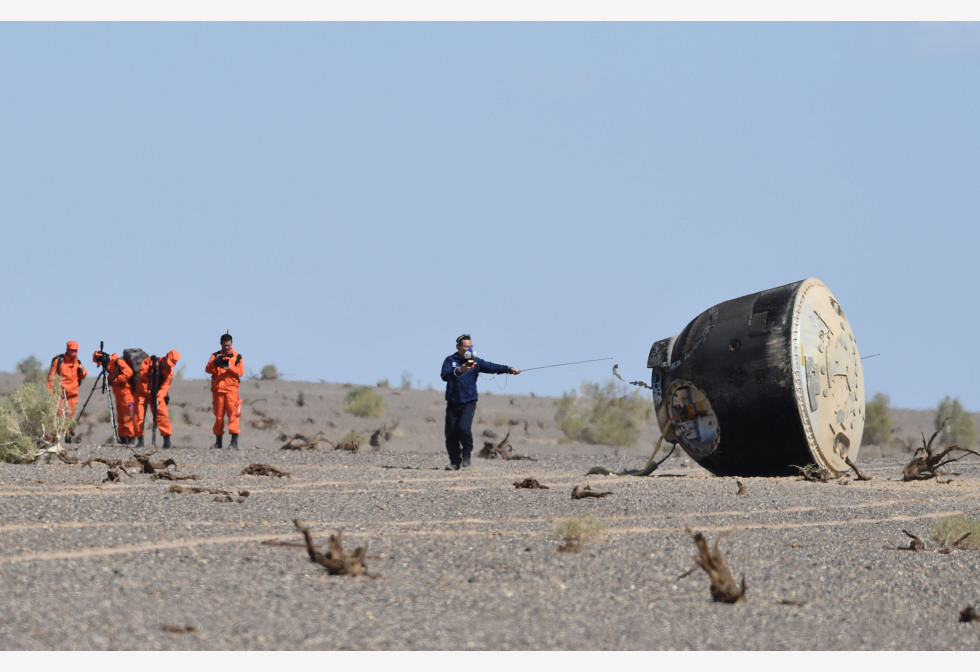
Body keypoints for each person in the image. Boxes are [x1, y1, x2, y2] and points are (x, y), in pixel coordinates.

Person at [440, 334, 519, 471]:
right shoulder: (450, 360)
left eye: (471, 347)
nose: (469, 349)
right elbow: (444, 376)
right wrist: (459, 370)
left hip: (469, 402)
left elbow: (491, 367)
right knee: (451, 434)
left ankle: (466, 454)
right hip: (453, 402)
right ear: (459, 347)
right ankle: (454, 462)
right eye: (466, 347)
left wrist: (508, 369)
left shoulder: (474, 362)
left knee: (463, 429)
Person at [133, 350, 181, 449]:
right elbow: (141, 375)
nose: (168, 365)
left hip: (156, 395)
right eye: (168, 363)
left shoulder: (170, 372)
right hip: (142, 393)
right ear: (165, 357)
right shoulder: (149, 361)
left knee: (163, 416)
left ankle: (167, 442)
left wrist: (158, 398)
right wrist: (151, 373)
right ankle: (140, 441)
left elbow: (165, 387)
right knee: (139, 416)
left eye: (171, 364)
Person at [205, 332, 244, 449]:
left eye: (229, 345)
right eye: (224, 345)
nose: (227, 348)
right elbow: (208, 370)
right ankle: (218, 442)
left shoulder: (237, 357)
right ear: (220, 344)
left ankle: (234, 442)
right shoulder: (215, 355)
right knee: (219, 417)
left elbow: (240, 372)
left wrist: (230, 368)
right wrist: (215, 361)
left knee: (233, 416)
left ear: (232, 344)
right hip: (218, 391)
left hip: (232, 391)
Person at [92, 350, 136, 444]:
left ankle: (131, 438)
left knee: (128, 417)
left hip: (127, 395)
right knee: (121, 417)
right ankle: (123, 438)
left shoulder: (117, 361)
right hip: (119, 395)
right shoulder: (110, 365)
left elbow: (129, 372)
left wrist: (117, 380)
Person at [47, 341, 88, 441]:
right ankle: (54, 439)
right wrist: (50, 393)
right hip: (59, 394)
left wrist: (82, 370)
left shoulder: (78, 363)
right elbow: (51, 378)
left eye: (76, 351)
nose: (74, 353)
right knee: (58, 416)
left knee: (70, 418)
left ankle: (68, 438)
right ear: (67, 350)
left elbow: (83, 375)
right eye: (72, 351)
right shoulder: (59, 361)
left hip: (72, 395)